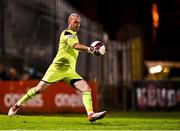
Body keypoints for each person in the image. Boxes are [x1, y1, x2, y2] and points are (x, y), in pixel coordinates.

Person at [8, 13, 106, 122]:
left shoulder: (74, 35)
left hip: (69, 71)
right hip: (57, 68)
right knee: (38, 89)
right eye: (75, 22)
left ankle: (91, 114)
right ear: (69, 21)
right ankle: (17, 104)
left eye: (79, 23)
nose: (78, 25)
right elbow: (75, 46)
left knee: (86, 88)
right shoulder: (67, 33)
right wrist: (90, 49)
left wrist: (95, 50)